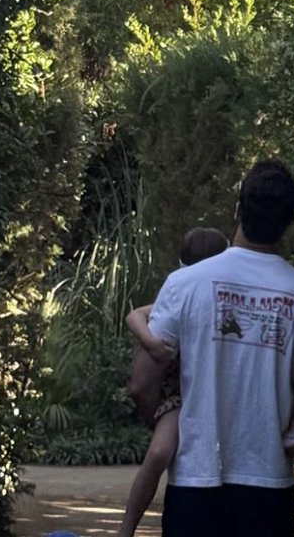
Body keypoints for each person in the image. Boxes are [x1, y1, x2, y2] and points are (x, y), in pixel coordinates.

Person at [139, 159, 294, 537]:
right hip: (269, 489)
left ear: (238, 209)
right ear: (291, 221)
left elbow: (143, 380)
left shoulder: (185, 284)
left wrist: (166, 421)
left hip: (195, 483)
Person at [119, 226, 230, 537]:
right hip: (176, 392)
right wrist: (152, 344)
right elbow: (135, 316)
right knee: (158, 453)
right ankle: (127, 528)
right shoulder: (184, 292)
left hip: (212, 390)